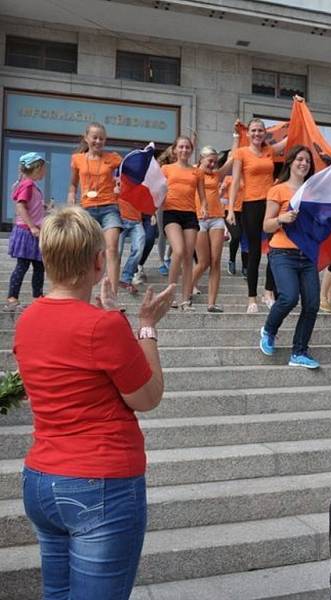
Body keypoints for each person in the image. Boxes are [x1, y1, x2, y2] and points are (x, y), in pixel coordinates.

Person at [13, 206, 175, 600]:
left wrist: (110, 318)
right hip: (99, 481)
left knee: (58, 593)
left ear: (48, 259)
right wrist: (147, 327)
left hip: (41, 479)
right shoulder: (102, 326)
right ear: (100, 261)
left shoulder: (28, 319)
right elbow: (148, 396)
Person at [259, 145, 321, 369]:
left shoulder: (313, 192)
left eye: (307, 161)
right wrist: (282, 218)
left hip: (307, 255)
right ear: (290, 162)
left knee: (312, 304)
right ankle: (269, 330)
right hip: (282, 252)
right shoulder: (278, 190)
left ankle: (299, 352)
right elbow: (266, 224)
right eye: (299, 159)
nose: (303, 164)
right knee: (289, 297)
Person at [227, 115, 292, 313]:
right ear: (248, 133)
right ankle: (251, 299)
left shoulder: (269, 151)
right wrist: (230, 208)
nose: (257, 134)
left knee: (275, 247)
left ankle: (268, 292)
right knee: (254, 251)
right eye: (253, 130)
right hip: (251, 204)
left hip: (271, 203)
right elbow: (235, 181)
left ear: (265, 133)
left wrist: (299, 108)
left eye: (260, 131)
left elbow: (290, 139)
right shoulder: (241, 153)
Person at [67, 122, 123, 295]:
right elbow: (73, 184)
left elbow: (127, 175)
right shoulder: (78, 159)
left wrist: (120, 184)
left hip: (109, 207)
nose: (98, 141)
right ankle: (83, 290)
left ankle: (112, 295)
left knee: (111, 248)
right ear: (87, 138)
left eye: (102, 138)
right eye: (95, 137)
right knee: (87, 251)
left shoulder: (113, 158)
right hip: (87, 209)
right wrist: (71, 197)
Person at [161, 135, 208, 310]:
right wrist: (151, 211)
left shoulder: (198, 172)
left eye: (187, 147)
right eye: (180, 147)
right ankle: (169, 295)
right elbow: (156, 191)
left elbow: (203, 197)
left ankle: (185, 299)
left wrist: (204, 207)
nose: (184, 150)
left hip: (190, 214)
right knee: (178, 251)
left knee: (189, 256)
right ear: (174, 150)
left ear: (191, 150)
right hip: (171, 212)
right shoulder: (166, 169)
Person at [5, 152, 47, 312]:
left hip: (32, 232)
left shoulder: (30, 185)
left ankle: (38, 296)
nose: (44, 172)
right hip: (26, 232)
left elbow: (28, 204)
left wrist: (43, 208)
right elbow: (20, 206)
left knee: (39, 266)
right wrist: (32, 227)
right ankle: (12, 297)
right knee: (23, 266)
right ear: (36, 168)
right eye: (43, 169)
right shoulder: (28, 184)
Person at [191, 146, 229, 313]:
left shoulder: (216, 174)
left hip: (217, 218)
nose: (213, 164)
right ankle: (184, 293)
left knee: (215, 262)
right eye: (210, 161)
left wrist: (237, 136)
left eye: (215, 161)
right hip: (199, 218)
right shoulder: (192, 172)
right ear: (201, 159)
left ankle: (211, 303)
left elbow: (232, 159)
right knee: (203, 261)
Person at [117, 196, 145, 295]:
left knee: (139, 249)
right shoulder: (116, 180)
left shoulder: (140, 182)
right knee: (117, 251)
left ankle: (126, 278)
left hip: (136, 221)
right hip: (119, 219)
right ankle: (112, 278)